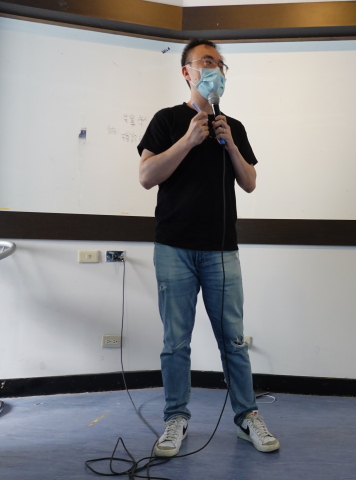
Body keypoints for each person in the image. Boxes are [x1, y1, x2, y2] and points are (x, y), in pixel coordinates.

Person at [137, 39, 279, 457]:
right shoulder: (166, 120)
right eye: (205, 62)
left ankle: (247, 417)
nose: (214, 69)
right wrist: (187, 141)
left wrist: (229, 143)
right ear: (186, 72)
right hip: (174, 248)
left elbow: (249, 182)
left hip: (221, 250)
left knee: (233, 340)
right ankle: (176, 419)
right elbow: (146, 176)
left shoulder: (233, 126)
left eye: (219, 64)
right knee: (175, 342)